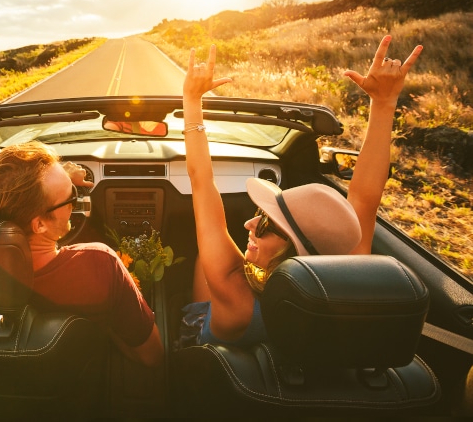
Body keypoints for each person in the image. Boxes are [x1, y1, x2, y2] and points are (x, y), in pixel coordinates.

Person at [181, 35, 423, 346]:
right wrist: (385, 103)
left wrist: (191, 100)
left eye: (266, 224)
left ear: (294, 251)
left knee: (204, 259)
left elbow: (201, 179)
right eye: (260, 215)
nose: (249, 225)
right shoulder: (345, 272)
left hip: (212, 355)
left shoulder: (234, 293)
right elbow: (365, 198)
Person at [0, 140, 164, 367]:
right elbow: (152, 357)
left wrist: (57, 181)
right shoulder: (101, 263)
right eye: (70, 199)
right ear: (39, 225)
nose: (74, 202)